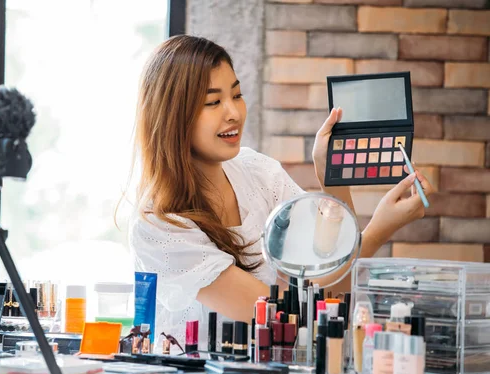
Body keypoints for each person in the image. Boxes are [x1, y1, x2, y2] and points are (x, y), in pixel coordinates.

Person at [126, 35, 434, 351]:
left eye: (237, 94)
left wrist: (333, 178)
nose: (233, 112)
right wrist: (380, 230)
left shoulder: (260, 173)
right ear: (173, 116)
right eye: (213, 102)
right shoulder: (160, 225)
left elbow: (331, 284)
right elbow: (279, 316)